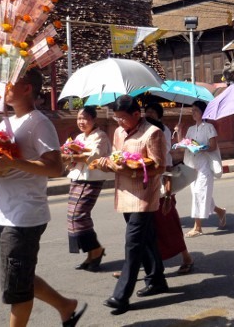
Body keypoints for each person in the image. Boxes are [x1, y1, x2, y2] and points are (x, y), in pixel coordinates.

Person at [0, 69, 87, 326]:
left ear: (27, 89)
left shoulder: (39, 122)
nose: (4, 86)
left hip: (24, 216)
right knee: (14, 276)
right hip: (1, 212)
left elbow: (55, 168)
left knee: (16, 288)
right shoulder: (4, 123)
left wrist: (14, 162)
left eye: (11, 82)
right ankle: (65, 305)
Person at [98, 95, 168, 313]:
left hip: (144, 196)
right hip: (125, 193)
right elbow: (118, 158)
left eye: (122, 118)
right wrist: (107, 164)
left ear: (137, 115)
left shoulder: (152, 133)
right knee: (146, 240)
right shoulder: (119, 132)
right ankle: (156, 280)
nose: (119, 122)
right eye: (116, 118)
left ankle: (121, 296)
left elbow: (158, 166)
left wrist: (130, 170)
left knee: (133, 245)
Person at [144, 103, 194, 274]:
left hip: (160, 187)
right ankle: (134, 266)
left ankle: (186, 256)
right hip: (142, 190)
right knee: (139, 232)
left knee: (169, 225)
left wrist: (167, 193)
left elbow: (165, 164)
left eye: (151, 112)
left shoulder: (159, 132)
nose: (148, 115)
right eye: (146, 112)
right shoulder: (140, 132)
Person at [63, 106, 112, 272]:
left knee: (79, 215)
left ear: (93, 119)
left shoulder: (100, 136)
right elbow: (75, 159)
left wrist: (71, 155)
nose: (81, 122)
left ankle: (96, 250)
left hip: (92, 179)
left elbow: (93, 156)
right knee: (73, 216)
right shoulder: (78, 137)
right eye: (78, 119)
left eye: (84, 118)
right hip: (77, 177)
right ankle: (92, 252)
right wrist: (69, 154)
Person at [176, 100, 226, 237]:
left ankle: (197, 227)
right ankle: (220, 211)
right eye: (192, 110)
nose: (193, 113)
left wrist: (201, 148)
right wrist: (179, 132)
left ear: (203, 112)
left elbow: (213, 146)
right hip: (193, 164)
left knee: (199, 192)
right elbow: (183, 145)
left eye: (196, 110)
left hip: (205, 164)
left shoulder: (209, 127)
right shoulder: (191, 129)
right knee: (199, 193)